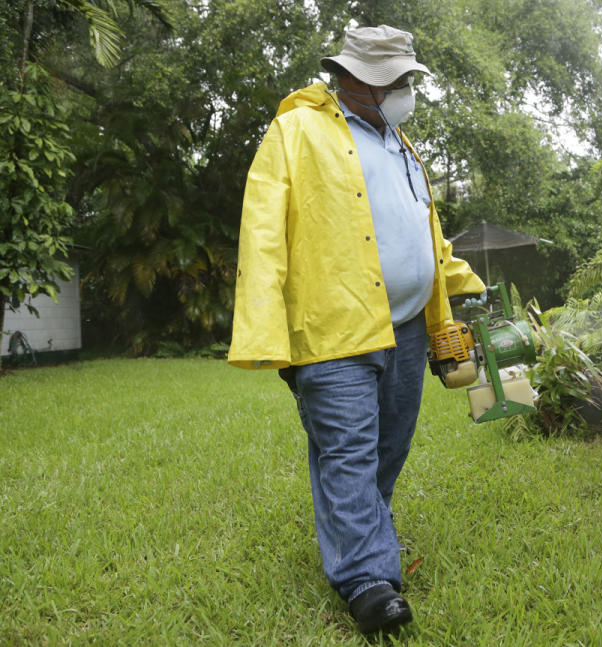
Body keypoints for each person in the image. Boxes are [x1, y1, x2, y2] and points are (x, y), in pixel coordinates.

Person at [227, 24, 484, 635]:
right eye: (399, 81)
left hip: (408, 330)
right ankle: (367, 578)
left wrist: (460, 280)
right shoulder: (295, 131)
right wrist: (266, 326)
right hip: (332, 327)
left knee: (387, 449)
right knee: (347, 450)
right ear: (360, 81)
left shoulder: (399, 143)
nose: (408, 91)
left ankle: (360, 533)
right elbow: (261, 231)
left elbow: (422, 229)